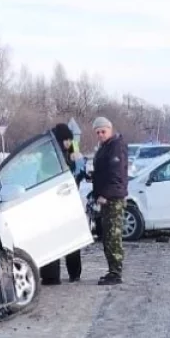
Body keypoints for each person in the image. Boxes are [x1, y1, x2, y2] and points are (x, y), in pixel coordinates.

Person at [40, 122, 85, 285]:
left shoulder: (72, 152)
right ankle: (51, 276)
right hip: (55, 202)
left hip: (69, 201)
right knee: (55, 239)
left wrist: (78, 163)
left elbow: (79, 174)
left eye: (69, 140)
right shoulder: (50, 156)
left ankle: (74, 273)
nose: (67, 143)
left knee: (71, 239)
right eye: (65, 140)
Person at [90, 116, 128, 285]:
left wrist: (105, 194)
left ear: (110, 129)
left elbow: (116, 175)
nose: (100, 135)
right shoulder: (105, 146)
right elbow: (102, 172)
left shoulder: (115, 147)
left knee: (113, 237)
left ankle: (116, 272)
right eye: (97, 132)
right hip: (106, 198)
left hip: (113, 198)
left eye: (103, 131)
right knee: (107, 237)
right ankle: (112, 270)